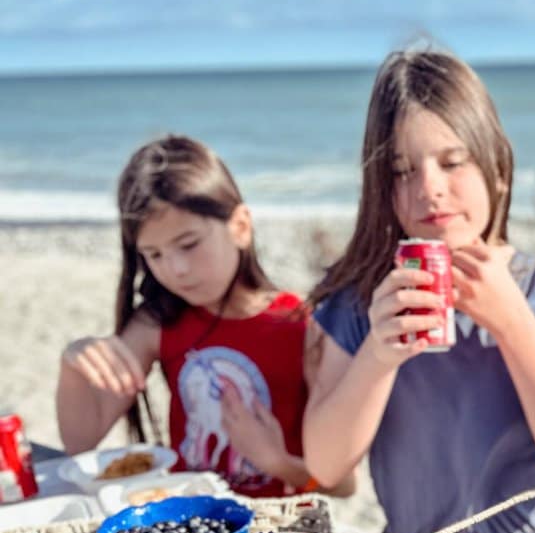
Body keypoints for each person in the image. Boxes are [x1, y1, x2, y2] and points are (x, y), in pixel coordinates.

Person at [302, 49, 535, 533]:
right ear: (381, 188)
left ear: (498, 166)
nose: (429, 186)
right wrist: (379, 355)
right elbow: (326, 464)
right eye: (403, 170)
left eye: (452, 162)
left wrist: (513, 323)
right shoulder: (362, 301)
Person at [57, 135, 337, 499]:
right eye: (154, 255)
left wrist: (275, 461)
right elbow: (82, 440)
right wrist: (73, 364)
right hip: (184, 526)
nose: (176, 269)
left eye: (189, 245)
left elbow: (340, 483)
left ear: (240, 226)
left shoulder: (303, 325)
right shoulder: (157, 324)